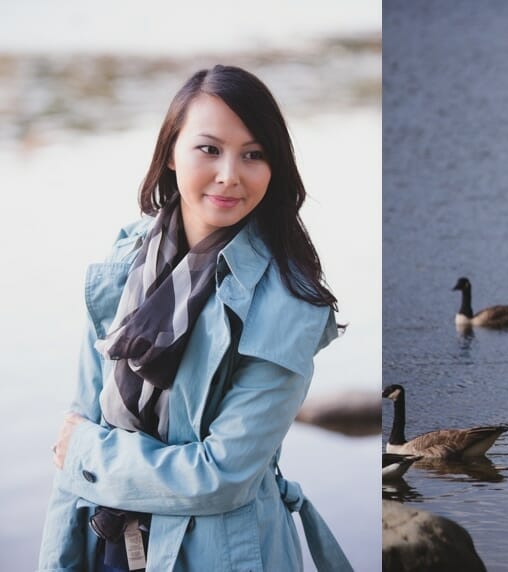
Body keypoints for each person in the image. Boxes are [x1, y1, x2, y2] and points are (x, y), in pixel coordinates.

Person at [38, 65, 352, 571]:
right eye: (209, 149)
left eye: (254, 154)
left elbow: (221, 476)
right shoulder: (125, 261)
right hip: (107, 543)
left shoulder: (289, 304)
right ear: (170, 153)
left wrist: (87, 456)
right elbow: (81, 424)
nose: (230, 174)